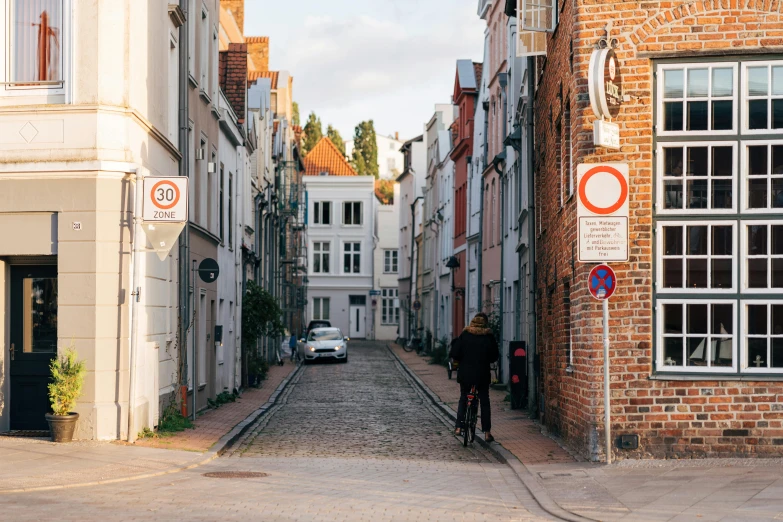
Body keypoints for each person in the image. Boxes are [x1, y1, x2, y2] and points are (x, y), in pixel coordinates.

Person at [449, 312, 499, 443]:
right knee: (484, 401)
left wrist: (461, 359)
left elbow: (454, 353)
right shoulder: (488, 337)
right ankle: (487, 433)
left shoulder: (465, 335)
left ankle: (459, 427)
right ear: (485, 323)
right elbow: (494, 356)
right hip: (482, 374)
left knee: (464, 397)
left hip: (465, 374)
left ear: (472, 322)